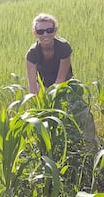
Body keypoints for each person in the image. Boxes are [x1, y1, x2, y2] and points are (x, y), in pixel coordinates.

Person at [26, 13, 96, 144]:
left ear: (55, 31)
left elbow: (61, 79)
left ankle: (91, 150)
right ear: (35, 33)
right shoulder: (32, 53)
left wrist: (54, 99)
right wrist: (41, 103)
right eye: (41, 31)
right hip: (45, 89)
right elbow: (32, 85)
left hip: (67, 87)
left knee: (84, 117)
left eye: (49, 30)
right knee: (43, 120)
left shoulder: (63, 47)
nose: (45, 34)